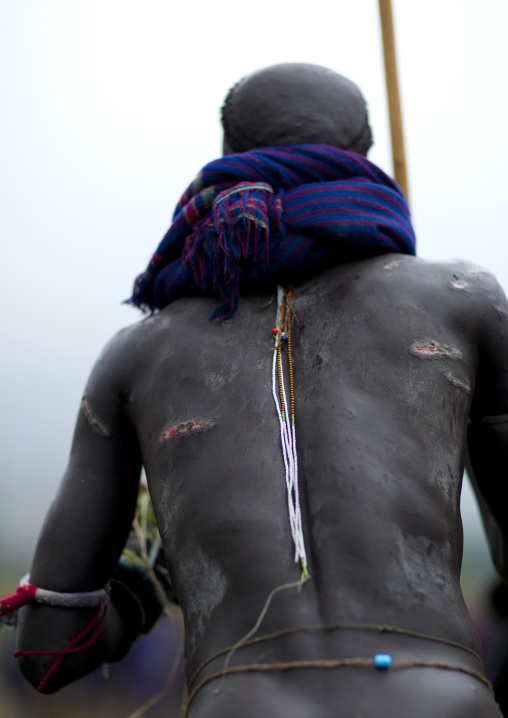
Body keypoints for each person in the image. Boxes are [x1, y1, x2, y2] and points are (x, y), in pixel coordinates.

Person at [13, 63, 507, 717]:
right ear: (362, 154)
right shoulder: (465, 303)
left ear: (227, 160)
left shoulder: (139, 353)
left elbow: (49, 651)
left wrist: (141, 584)